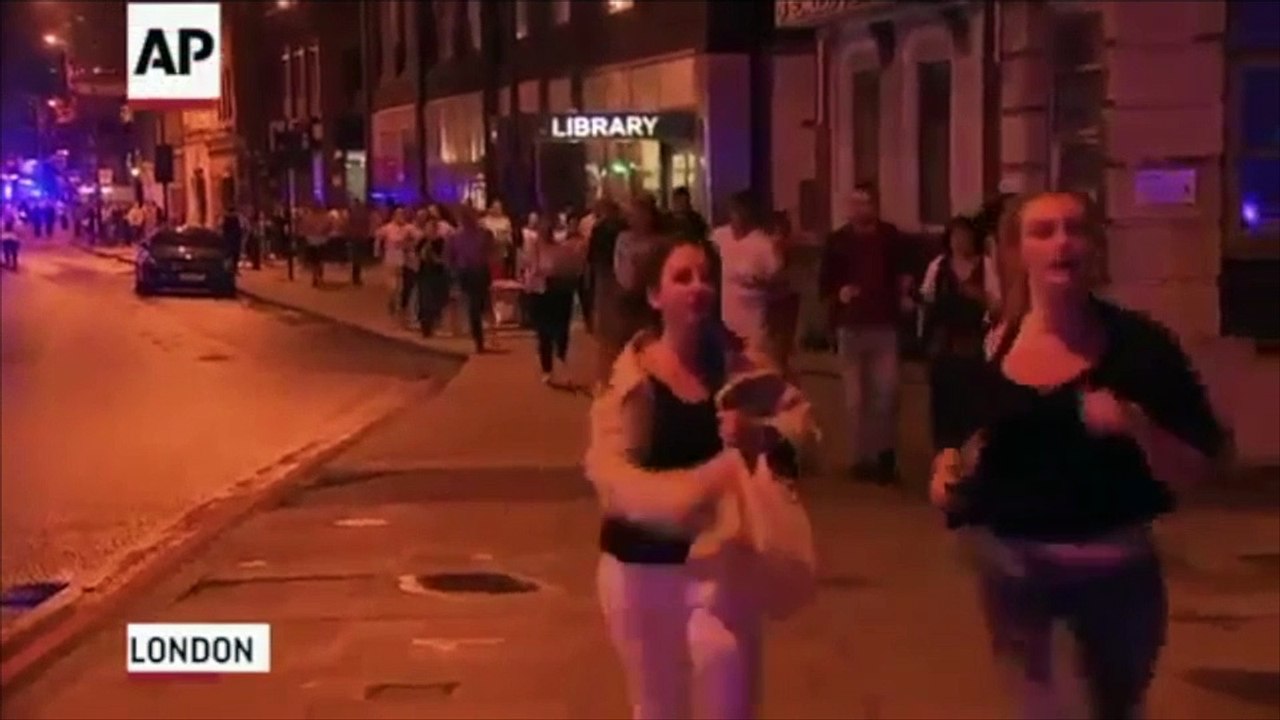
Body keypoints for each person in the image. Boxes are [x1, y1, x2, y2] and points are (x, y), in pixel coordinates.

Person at [929, 191, 1226, 720]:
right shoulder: (983, 354)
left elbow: (1201, 466)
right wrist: (947, 478)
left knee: (1109, 710)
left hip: (1115, 578)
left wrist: (1137, 426)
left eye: (1075, 229)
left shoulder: (1141, 350)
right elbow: (952, 456)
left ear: (1095, 246)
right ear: (1017, 252)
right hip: (1015, 576)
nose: (1062, 242)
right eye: (1043, 232)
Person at [585, 235, 819, 720]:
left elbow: (804, 428)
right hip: (640, 572)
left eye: (706, 277)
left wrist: (760, 435)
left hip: (721, 568)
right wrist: (701, 488)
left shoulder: (741, 367)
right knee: (657, 708)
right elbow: (611, 475)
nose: (698, 288)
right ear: (655, 296)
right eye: (682, 277)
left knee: (728, 698)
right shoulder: (627, 379)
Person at [818, 183, 915, 483]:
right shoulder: (838, 241)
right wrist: (839, 293)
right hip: (851, 324)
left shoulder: (890, 237)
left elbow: (904, 271)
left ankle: (885, 455)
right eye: (855, 203)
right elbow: (825, 283)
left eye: (865, 203)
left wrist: (905, 291)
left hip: (884, 323)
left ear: (875, 206)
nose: (859, 209)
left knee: (887, 393)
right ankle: (862, 458)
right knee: (856, 398)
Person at [918, 215, 1002, 450]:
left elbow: (997, 305)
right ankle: (945, 460)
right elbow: (927, 302)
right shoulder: (938, 267)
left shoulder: (986, 266)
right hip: (944, 347)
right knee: (943, 409)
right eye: (955, 236)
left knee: (973, 410)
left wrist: (980, 297)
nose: (960, 242)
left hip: (974, 346)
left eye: (964, 236)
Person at [711, 190, 782, 354]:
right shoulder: (720, 236)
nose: (736, 216)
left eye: (741, 212)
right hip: (725, 318)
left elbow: (779, 284)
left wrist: (762, 284)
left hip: (753, 320)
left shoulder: (763, 244)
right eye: (733, 211)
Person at [521, 213, 580, 383]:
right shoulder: (533, 245)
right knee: (543, 332)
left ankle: (560, 360)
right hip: (541, 290)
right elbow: (530, 266)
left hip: (561, 289)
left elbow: (573, 266)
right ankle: (547, 368)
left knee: (561, 329)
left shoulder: (565, 244)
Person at [445, 205, 496, 354]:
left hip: (479, 272)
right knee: (475, 306)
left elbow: (491, 252)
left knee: (479, 305)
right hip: (467, 273)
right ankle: (479, 339)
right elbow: (449, 258)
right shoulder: (455, 237)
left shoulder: (484, 234)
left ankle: (482, 335)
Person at [766, 210, 803, 375]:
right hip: (781, 300)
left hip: (780, 301)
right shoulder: (784, 246)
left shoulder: (780, 247)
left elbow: (779, 273)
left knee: (779, 349)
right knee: (780, 350)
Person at [375, 208, 413, 319]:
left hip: (403, 261)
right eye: (398, 214)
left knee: (400, 286)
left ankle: (399, 305)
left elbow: (419, 236)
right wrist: (377, 252)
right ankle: (392, 301)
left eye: (402, 215)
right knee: (392, 286)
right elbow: (378, 236)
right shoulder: (388, 228)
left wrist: (409, 244)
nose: (400, 217)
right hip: (390, 259)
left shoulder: (408, 228)